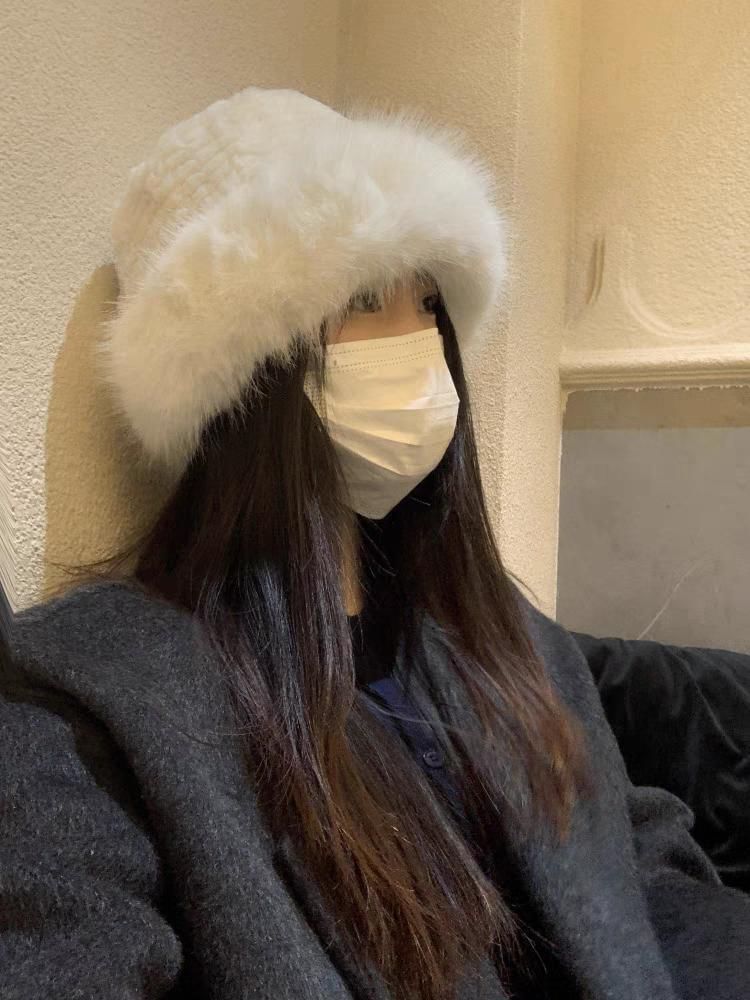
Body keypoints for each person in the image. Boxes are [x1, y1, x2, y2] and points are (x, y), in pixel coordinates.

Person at [2, 85, 748, 1000]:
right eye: (362, 298)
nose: (420, 348)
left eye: (429, 301)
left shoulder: (499, 635)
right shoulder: (93, 700)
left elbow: (639, 859)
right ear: (241, 380)